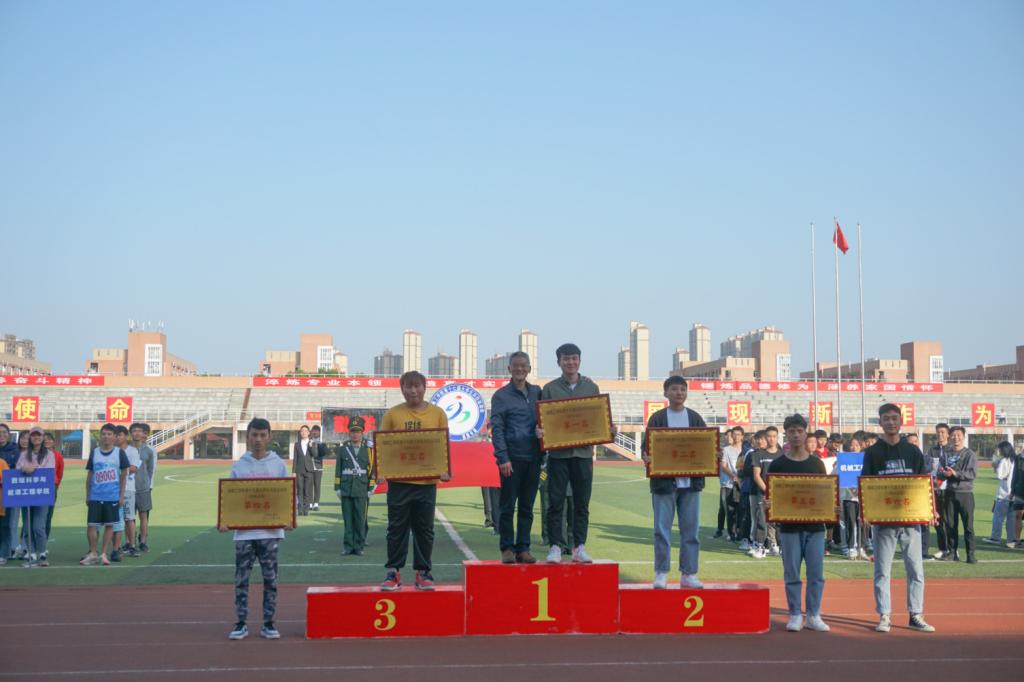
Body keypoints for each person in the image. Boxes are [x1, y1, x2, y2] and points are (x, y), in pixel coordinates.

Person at [861, 403, 935, 633]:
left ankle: (916, 614)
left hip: (911, 521)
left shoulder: (913, 451)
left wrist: (931, 509)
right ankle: (884, 615)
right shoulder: (873, 452)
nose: (891, 422)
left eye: (894, 418)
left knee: (916, 570)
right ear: (880, 422)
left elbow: (924, 484)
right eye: (886, 418)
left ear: (901, 420)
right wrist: (867, 512)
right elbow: (866, 484)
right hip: (884, 522)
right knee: (882, 571)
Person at [380, 371, 451, 591]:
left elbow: (442, 446)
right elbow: (383, 447)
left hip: (426, 482)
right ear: (401, 389)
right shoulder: (392, 415)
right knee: (396, 528)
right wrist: (380, 470)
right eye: (408, 387)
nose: (413, 391)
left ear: (424, 387)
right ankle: (393, 572)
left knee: (425, 529)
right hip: (399, 483)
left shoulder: (437, 414)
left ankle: (423, 572)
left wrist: (444, 469)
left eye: (417, 386)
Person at [540, 343, 611, 564]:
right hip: (558, 456)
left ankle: (579, 546)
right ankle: (555, 546)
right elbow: (543, 421)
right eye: (566, 358)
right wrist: (539, 431)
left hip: (582, 455)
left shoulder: (591, 388)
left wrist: (608, 428)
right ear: (558, 362)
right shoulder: (549, 389)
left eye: (574, 358)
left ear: (579, 360)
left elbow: (598, 419)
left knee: (581, 503)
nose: (570, 362)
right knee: (555, 502)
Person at [641, 375, 710, 589]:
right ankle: (661, 572)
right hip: (664, 484)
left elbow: (706, 446)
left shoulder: (695, 418)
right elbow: (646, 448)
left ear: (686, 392)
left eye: (682, 389)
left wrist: (712, 455)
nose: (679, 393)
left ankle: (689, 573)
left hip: (691, 485)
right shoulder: (657, 419)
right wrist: (646, 457)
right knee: (661, 530)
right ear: (666, 393)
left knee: (691, 531)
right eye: (674, 389)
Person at [223, 417, 289, 640]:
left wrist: (289, 518)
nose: (258, 439)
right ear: (248, 437)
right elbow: (230, 499)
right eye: (254, 435)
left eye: (262, 435)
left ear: (269, 437)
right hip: (244, 533)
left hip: (270, 533)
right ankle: (241, 622)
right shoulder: (239, 465)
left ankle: (268, 623)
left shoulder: (278, 464)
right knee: (241, 580)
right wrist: (225, 520)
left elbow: (287, 497)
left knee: (270, 579)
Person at [765, 414, 831, 632]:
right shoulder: (778, 464)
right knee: (792, 573)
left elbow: (824, 494)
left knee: (816, 574)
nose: (795, 435)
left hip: (815, 528)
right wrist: (769, 505)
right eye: (791, 431)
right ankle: (794, 613)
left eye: (799, 431)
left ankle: (813, 614)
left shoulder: (816, 464)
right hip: (789, 528)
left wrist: (832, 508)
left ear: (805, 433)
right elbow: (772, 495)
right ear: (786, 434)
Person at [490, 351, 543, 564]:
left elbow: (550, 416)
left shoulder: (538, 392)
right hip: (511, 460)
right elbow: (497, 429)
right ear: (509, 369)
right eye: (516, 365)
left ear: (529, 368)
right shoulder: (501, 396)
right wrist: (503, 458)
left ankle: (523, 548)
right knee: (507, 507)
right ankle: (507, 548)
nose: (520, 369)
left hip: (534, 458)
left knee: (527, 508)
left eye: (523, 365)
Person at [81, 424, 130, 566]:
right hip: (95, 496)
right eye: (104, 434)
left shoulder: (120, 453)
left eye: (109, 434)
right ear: (100, 436)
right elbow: (90, 475)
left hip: (112, 496)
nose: (106, 437)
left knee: (109, 526)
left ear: (114, 437)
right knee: (92, 525)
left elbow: (124, 475)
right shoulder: (94, 452)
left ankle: (103, 553)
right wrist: (88, 495)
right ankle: (93, 553)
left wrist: (121, 495)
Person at [15, 427, 55, 566]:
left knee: (38, 526)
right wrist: (23, 468)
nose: (36, 438)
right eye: (33, 435)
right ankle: (31, 554)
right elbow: (17, 468)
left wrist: (34, 469)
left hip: (42, 494)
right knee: (27, 526)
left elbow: (50, 470)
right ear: (30, 438)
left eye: (39, 435)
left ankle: (42, 554)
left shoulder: (49, 454)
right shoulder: (24, 454)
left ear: (43, 438)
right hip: (26, 493)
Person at [938, 426, 977, 563]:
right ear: (950, 437)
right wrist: (943, 473)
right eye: (953, 435)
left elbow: (971, 474)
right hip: (949, 493)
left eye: (959, 435)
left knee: (968, 526)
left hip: (965, 494)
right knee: (950, 525)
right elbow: (940, 473)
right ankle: (952, 553)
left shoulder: (969, 454)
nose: (956, 438)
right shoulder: (946, 454)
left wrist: (954, 473)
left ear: (964, 437)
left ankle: (970, 554)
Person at [334, 417, 372, 555]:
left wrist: (371, 487)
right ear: (349, 433)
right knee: (348, 519)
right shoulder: (343, 449)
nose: (355, 434)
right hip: (346, 488)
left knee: (360, 519)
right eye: (353, 432)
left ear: (362, 433)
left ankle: (359, 547)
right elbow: (338, 469)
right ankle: (348, 547)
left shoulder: (368, 449)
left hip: (361, 488)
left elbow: (372, 469)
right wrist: (337, 487)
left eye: (358, 432)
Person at [749, 426, 781, 558]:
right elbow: (756, 475)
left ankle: (776, 546)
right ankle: (760, 546)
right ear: (765, 438)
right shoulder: (758, 455)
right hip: (763, 493)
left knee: (778, 522)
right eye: (769, 436)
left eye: (774, 436)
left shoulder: (783, 455)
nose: (771, 439)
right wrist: (768, 490)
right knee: (762, 520)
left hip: (779, 494)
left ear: (778, 438)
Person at [737, 430, 766, 552]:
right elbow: (744, 470)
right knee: (752, 516)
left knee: (766, 518)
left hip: (766, 490)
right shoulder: (751, 454)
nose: (760, 441)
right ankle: (749, 539)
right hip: (751, 489)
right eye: (758, 439)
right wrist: (757, 468)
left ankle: (768, 542)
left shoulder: (772, 454)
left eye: (762, 439)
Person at [842, 431, 869, 560]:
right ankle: (851, 548)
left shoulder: (865, 460)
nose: (854, 447)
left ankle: (861, 547)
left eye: (857, 445)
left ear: (861, 447)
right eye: (852, 445)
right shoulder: (843, 460)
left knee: (863, 522)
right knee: (850, 521)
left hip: (863, 496)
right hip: (849, 496)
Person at [130, 423, 156, 552]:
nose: (137, 433)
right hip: (129, 488)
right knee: (129, 517)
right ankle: (131, 542)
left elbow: (151, 470)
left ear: (143, 433)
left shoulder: (149, 451)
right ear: (131, 433)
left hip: (143, 488)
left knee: (143, 516)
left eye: (139, 431)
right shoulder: (126, 449)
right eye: (134, 431)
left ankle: (143, 541)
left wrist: (148, 484)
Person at [115, 425, 141, 558]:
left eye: (120, 435)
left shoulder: (132, 451)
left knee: (129, 518)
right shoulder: (112, 451)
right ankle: (117, 547)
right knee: (115, 519)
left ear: (126, 436)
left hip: (128, 488)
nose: (117, 438)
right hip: (113, 489)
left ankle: (132, 545)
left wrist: (116, 469)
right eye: (116, 435)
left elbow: (134, 468)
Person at [985, 442, 1017, 545]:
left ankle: (995, 538)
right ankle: (1011, 539)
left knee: (998, 517)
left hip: (1004, 493)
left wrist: (995, 465)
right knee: (1011, 519)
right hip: (1015, 494)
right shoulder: (1016, 460)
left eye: (1000, 449)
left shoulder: (1004, 460)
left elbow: (1000, 475)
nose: (999, 451)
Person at [926, 424, 950, 560]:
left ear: (947, 434)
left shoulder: (951, 449)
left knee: (949, 520)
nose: (940, 435)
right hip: (935, 489)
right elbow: (928, 467)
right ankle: (943, 548)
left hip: (949, 489)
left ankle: (952, 548)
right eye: (938, 432)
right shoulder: (932, 450)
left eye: (942, 432)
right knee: (938, 519)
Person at [715, 427, 741, 541]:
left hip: (740, 484)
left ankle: (738, 532)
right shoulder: (724, 450)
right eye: (730, 435)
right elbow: (723, 466)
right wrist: (734, 476)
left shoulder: (744, 450)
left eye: (735, 435)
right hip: (727, 483)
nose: (732, 437)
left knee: (739, 509)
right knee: (726, 509)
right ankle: (726, 531)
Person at [1, 424, 20, 562]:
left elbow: (18, 469)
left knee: (7, 524)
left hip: (8, 491)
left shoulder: (15, 450)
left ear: (8, 434)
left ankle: (5, 552)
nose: (1, 435)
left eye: (4, 432)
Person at [42, 433, 64, 551]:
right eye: (45, 439)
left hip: (51, 486)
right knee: (35, 516)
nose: (47, 441)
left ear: (53, 442)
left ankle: (43, 543)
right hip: (38, 486)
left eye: (49, 439)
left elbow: (60, 472)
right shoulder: (36, 454)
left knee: (48, 516)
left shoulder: (57, 455)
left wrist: (55, 485)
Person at [292, 426, 315, 516]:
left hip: (309, 470)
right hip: (299, 470)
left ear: (308, 432)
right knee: (300, 490)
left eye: (305, 431)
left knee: (307, 491)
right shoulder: (297, 444)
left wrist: (311, 447)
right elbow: (295, 458)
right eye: (302, 431)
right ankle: (300, 509)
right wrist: (293, 471)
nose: (303, 432)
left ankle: (306, 510)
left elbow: (315, 454)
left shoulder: (312, 443)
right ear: (300, 433)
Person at [309, 425, 328, 511]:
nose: (315, 432)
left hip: (318, 467)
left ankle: (316, 503)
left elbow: (323, 453)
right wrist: (310, 445)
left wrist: (318, 444)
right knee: (309, 485)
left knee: (317, 485)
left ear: (320, 433)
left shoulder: (322, 442)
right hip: (309, 467)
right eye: (313, 430)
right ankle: (310, 503)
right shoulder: (308, 441)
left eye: (317, 431)